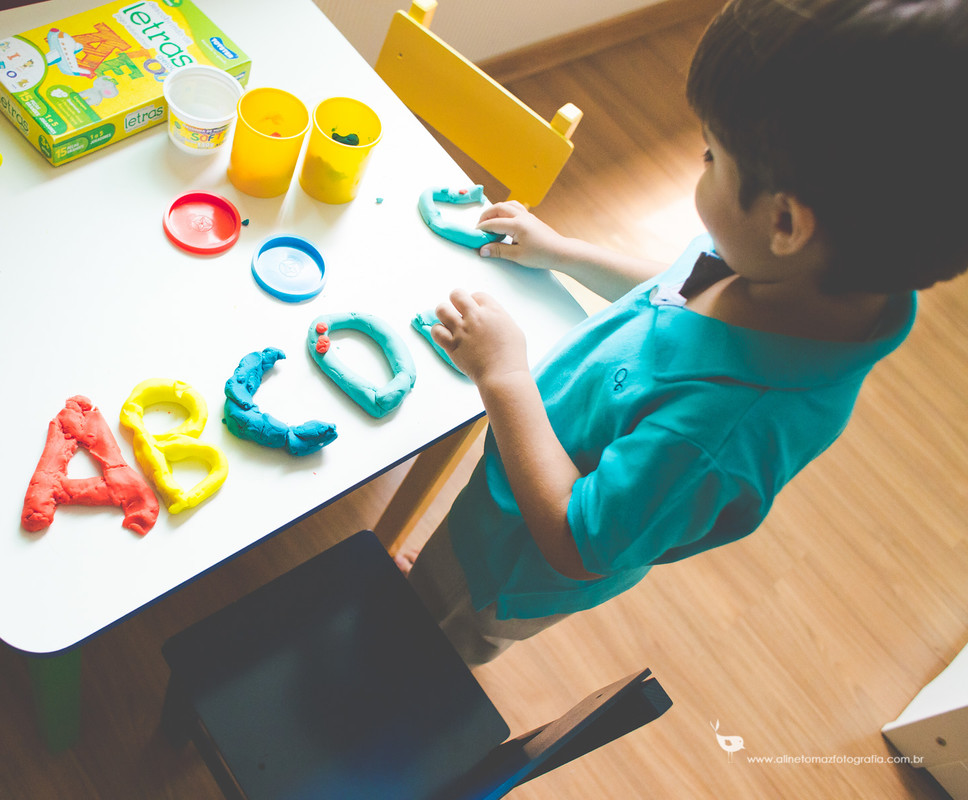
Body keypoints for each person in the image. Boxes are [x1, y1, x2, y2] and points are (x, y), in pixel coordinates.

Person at [401, 0, 968, 666]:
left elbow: (572, 540)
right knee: (437, 571)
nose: (701, 166)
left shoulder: (714, 435)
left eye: (710, 156)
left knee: (433, 634)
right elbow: (676, 283)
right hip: (511, 490)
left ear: (786, 222)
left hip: (510, 564)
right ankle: (420, 595)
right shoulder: (808, 280)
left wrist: (504, 377)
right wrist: (563, 252)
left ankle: (422, 639)